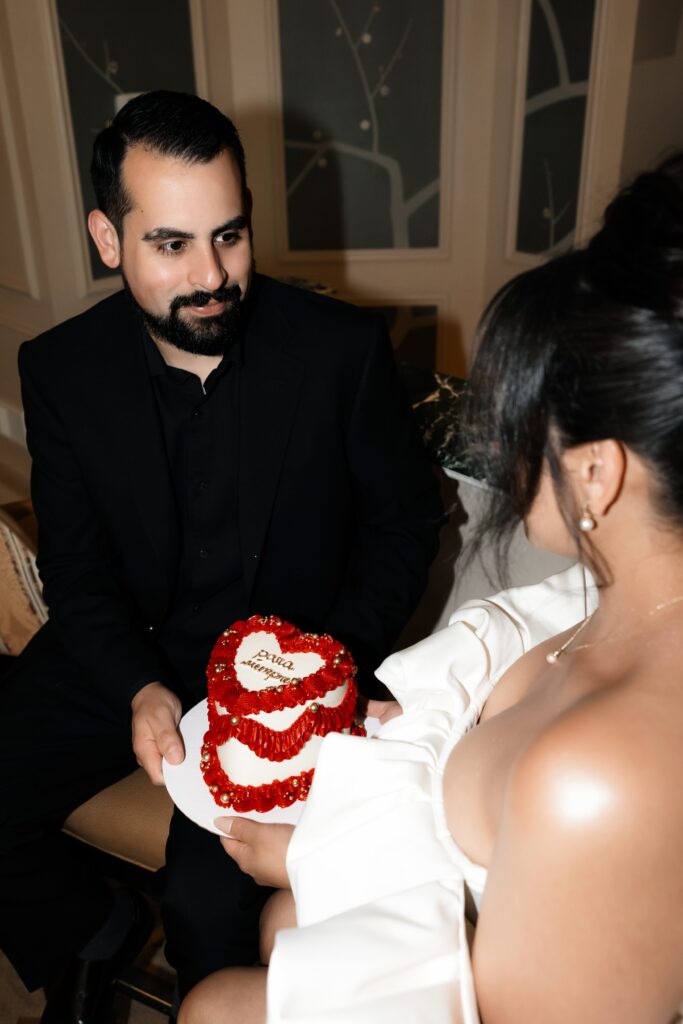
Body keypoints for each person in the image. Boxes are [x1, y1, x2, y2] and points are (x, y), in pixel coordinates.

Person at [178, 154, 683, 1024]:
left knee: (218, 1001)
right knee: (282, 926)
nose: (509, 453)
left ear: (596, 472)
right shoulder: (607, 605)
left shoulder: (597, 780)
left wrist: (317, 867)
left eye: (527, 424)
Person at [0, 90, 443, 1023]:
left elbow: (404, 527)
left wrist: (317, 677)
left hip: (287, 669)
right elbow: (77, 568)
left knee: (214, 909)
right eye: (171, 244)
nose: (212, 275)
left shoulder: (342, 352)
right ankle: (94, 933)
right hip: (126, 645)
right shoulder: (59, 369)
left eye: (230, 236)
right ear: (107, 238)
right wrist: (134, 683)